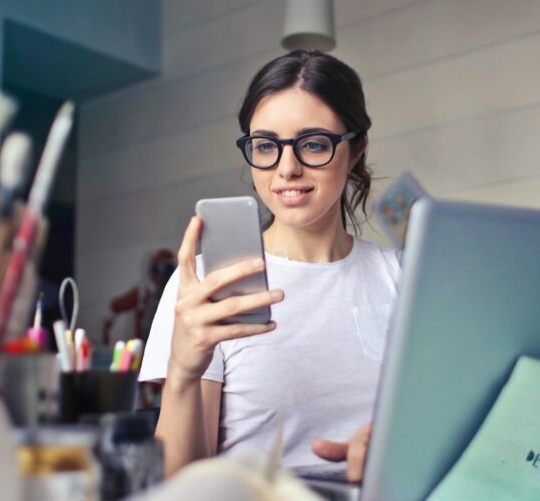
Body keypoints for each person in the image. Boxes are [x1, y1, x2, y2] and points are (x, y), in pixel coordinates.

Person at [139, 50, 401, 482]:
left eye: (313, 144)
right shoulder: (208, 285)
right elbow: (180, 486)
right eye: (266, 146)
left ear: (356, 150)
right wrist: (183, 372)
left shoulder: (402, 278)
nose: (287, 168)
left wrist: (399, 445)